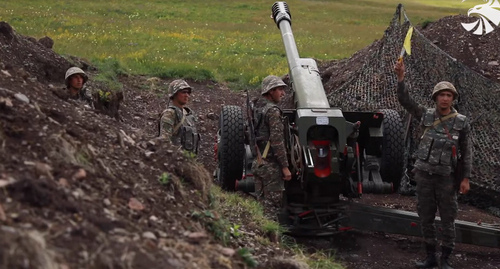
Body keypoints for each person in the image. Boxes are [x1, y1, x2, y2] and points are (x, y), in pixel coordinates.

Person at [394, 60, 472, 269]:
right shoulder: (426, 115)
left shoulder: (461, 122)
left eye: (449, 95)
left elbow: (467, 152)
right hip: (425, 176)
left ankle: (445, 259)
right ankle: (430, 257)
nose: (445, 98)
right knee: (425, 217)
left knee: (448, 219)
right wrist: (401, 78)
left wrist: (465, 178)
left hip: (447, 178)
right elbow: (405, 101)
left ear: (453, 99)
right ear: (435, 97)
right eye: (441, 95)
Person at [251, 75, 292, 203]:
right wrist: (285, 167)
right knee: (272, 207)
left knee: (261, 206)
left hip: (258, 162)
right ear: (271, 91)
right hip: (271, 168)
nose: (283, 93)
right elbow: (277, 141)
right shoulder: (273, 111)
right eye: (280, 89)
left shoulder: (256, 108)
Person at [159, 79, 200, 154]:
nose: (187, 95)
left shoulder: (189, 114)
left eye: (188, 92)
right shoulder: (170, 114)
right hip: (175, 161)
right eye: (183, 92)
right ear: (174, 94)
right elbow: (164, 141)